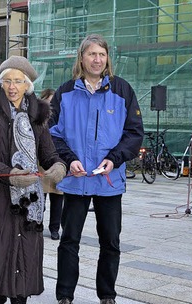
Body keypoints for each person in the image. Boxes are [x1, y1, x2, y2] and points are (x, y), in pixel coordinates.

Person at [49, 34, 144, 304]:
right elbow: (52, 134)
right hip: (76, 180)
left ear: (107, 59)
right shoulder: (65, 92)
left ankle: (107, 295)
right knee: (69, 241)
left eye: (101, 54)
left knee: (111, 243)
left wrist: (114, 158)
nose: (97, 59)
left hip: (109, 181)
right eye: (91, 54)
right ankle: (65, 295)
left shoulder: (122, 90)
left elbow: (134, 133)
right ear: (82, 58)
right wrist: (68, 159)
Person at [0, 55, 66, 304]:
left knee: (24, 259)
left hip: (29, 201)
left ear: (27, 85)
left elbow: (48, 151)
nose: (12, 87)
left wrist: (58, 165)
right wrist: (9, 174)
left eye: (18, 81)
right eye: (7, 81)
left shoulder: (38, 114)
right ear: (0, 83)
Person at [39, 88, 64, 240]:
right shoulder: (39, 116)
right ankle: (38, 223)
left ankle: (55, 228)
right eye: (50, 100)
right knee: (40, 197)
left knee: (57, 197)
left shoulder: (62, 116)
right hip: (41, 162)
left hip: (57, 161)